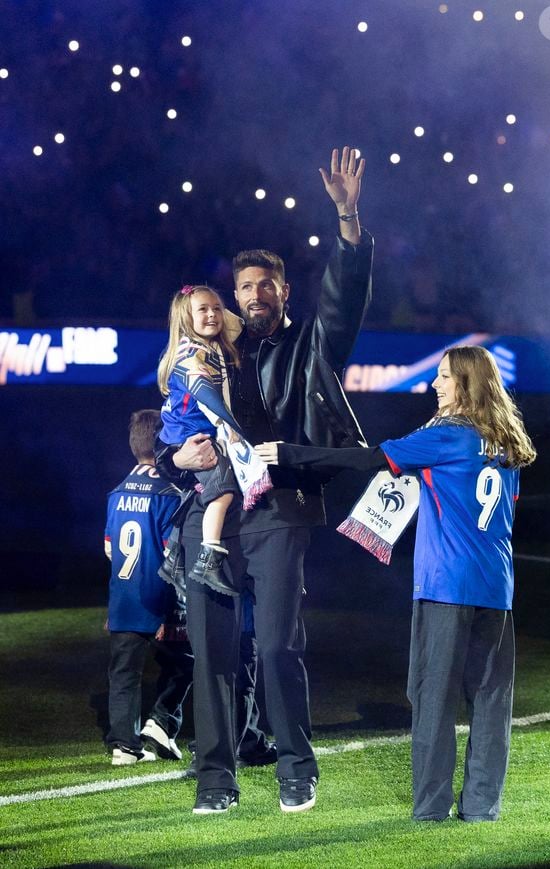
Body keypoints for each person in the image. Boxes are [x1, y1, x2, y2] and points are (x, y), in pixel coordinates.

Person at [157, 146, 373, 814]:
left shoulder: (311, 347)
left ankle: (294, 764)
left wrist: (348, 222)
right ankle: (215, 776)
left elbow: (344, 302)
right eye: (244, 286)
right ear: (232, 297)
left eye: (266, 285)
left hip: (279, 510)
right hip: (212, 514)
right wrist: (172, 463)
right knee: (212, 653)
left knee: (278, 644)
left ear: (284, 294)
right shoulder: (205, 349)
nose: (254, 295)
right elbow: (171, 423)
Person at [256, 345, 537, 823]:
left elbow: (368, 460)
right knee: (490, 701)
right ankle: (482, 807)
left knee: (432, 697)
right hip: (497, 588)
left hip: (446, 586)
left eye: (445, 377)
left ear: (465, 385)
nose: (435, 384)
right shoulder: (507, 443)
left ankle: (430, 809)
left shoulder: (449, 436)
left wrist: (291, 454)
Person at [157, 285, 271, 597]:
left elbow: (237, 323)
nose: (213, 315)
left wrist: (210, 302)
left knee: (198, 494)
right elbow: (205, 392)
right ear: (184, 319)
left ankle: (173, 560)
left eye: (216, 308)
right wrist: (232, 429)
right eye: (203, 310)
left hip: (193, 433)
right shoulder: (192, 353)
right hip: (189, 437)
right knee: (223, 490)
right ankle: (208, 558)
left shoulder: (213, 344)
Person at [104, 409, 193, 765]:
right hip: (161, 598)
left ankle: (123, 746)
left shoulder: (116, 492)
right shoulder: (170, 493)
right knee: (185, 662)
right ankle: (161, 721)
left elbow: (111, 548)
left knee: (124, 672)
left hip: (124, 598)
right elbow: (174, 555)